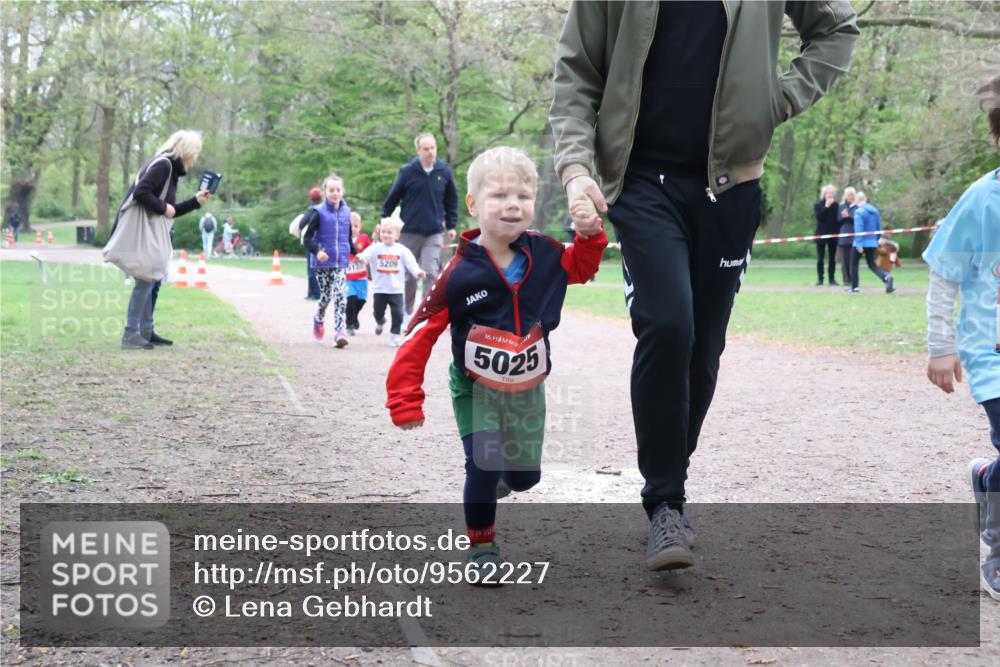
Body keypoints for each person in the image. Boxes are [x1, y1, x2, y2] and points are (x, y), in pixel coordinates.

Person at [549, 0, 858, 570]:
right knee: (669, 324)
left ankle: (672, 477)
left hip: (729, 187)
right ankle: (665, 503)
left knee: (703, 347)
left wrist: (780, 97)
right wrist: (575, 170)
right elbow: (576, 74)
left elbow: (836, 29)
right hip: (641, 182)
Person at [385, 147, 607, 579]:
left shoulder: (546, 253)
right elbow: (418, 335)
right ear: (472, 204)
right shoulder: (458, 273)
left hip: (526, 389)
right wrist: (405, 400)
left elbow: (581, 267)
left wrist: (590, 233)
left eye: (523, 196)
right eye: (499, 195)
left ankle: (504, 480)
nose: (512, 205)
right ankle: (482, 547)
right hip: (476, 390)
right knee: (483, 464)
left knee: (525, 478)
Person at [924, 73, 1000, 601]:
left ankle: (987, 478)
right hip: (991, 353)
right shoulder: (982, 201)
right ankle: (998, 547)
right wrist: (940, 346)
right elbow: (944, 275)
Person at [114, 129, 211, 349]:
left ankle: (146, 330)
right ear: (186, 151)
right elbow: (141, 193)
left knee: (154, 280)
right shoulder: (164, 165)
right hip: (146, 234)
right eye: (195, 153)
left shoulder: (168, 169)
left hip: (156, 233)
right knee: (146, 279)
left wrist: (195, 201)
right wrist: (162, 206)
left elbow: (171, 211)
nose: (195, 159)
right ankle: (131, 333)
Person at [381, 133, 459, 316]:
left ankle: (424, 314)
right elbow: (393, 196)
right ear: (418, 151)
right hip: (409, 231)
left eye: (433, 148)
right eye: (426, 149)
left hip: (434, 231)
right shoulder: (408, 171)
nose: (430, 152)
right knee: (409, 275)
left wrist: (452, 224)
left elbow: (451, 200)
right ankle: (406, 313)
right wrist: (384, 217)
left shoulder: (444, 171)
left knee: (430, 272)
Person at [302, 174, 356, 348]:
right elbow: (307, 238)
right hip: (322, 263)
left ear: (343, 192)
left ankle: (340, 332)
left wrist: (357, 253)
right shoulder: (318, 213)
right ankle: (319, 317)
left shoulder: (347, 212)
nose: (335, 193)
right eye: (331, 190)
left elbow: (348, 238)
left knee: (340, 293)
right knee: (326, 296)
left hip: (340, 261)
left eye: (338, 190)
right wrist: (317, 252)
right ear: (325, 192)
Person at [358, 217, 424, 347]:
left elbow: (411, 263)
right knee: (378, 312)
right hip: (380, 289)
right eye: (383, 232)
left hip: (396, 289)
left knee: (398, 314)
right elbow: (365, 255)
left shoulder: (402, 250)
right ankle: (381, 321)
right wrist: (361, 258)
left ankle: (395, 335)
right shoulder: (376, 248)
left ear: (397, 235)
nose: (385, 235)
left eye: (389, 232)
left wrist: (418, 272)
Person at [850, 191, 894, 293]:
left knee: (853, 264)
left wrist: (859, 244)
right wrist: (876, 239)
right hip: (872, 242)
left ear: (858, 200)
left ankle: (854, 287)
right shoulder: (875, 211)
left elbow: (859, 229)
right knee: (872, 264)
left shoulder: (859, 212)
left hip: (860, 242)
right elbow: (879, 228)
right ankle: (886, 278)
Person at [345, 212, 372, 335]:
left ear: (360, 227)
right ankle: (350, 324)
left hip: (361, 277)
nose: (353, 228)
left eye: (355, 226)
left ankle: (354, 316)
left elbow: (371, 251)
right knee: (351, 298)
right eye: (350, 226)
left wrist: (363, 257)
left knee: (361, 300)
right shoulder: (343, 240)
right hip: (348, 277)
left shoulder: (364, 238)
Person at [813, 184, 840, 286]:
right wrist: (826, 206)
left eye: (832, 193)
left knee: (832, 258)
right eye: (829, 193)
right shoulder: (818, 205)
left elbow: (838, 220)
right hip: (821, 234)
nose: (831, 195)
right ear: (824, 194)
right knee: (820, 258)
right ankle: (820, 279)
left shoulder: (837, 206)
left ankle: (831, 279)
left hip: (833, 235)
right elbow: (820, 217)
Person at [837, 186, 857, 287]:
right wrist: (844, 216)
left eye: (852, 194)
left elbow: (857, 219)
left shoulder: (857, 207)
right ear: (845, 196)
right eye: (849, 194)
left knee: (852, 259)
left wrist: (849, 216)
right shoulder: (841, 206)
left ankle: (853, 279)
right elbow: (838, 220)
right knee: (844, 260)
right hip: (844, 236)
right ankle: (846, 279)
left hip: (854, 235)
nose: (850, 196)